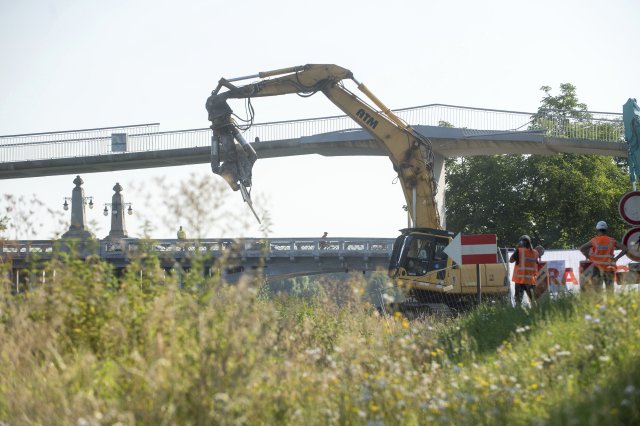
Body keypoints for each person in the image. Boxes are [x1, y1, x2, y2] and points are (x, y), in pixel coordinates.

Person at [579, 220, 627, 294]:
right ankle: (610, 305)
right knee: (610, 291)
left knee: (598, 291)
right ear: (606, 229)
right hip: (609, 268)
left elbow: (582, 248)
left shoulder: (594, 241)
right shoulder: (611, 241)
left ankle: (600, 305)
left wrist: (589, 256)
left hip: (596, 269)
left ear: (597, 229)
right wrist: (616, 258)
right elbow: (625, 249)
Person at [509, 234, 538, 307]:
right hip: (530, 280)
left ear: (521, 242)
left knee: (518, 301)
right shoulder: (535, 252)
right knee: (533, 300)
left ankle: (518, 313)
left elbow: (511, 260)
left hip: (520, 281)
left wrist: (517, 248)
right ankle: (535, 313)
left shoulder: (519, 251)